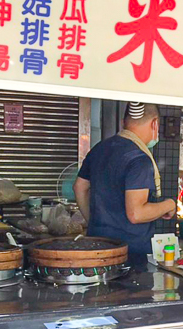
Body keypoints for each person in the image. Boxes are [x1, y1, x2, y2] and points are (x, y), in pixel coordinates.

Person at [74, 102, 176, 259]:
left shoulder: (99, 149)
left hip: (97, 246)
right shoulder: (139, 159)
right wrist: (169, 205)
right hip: (130, 254)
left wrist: (96, 222)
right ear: (154, 123)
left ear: (124, 122)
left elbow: (79, 187)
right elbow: (136, 213)